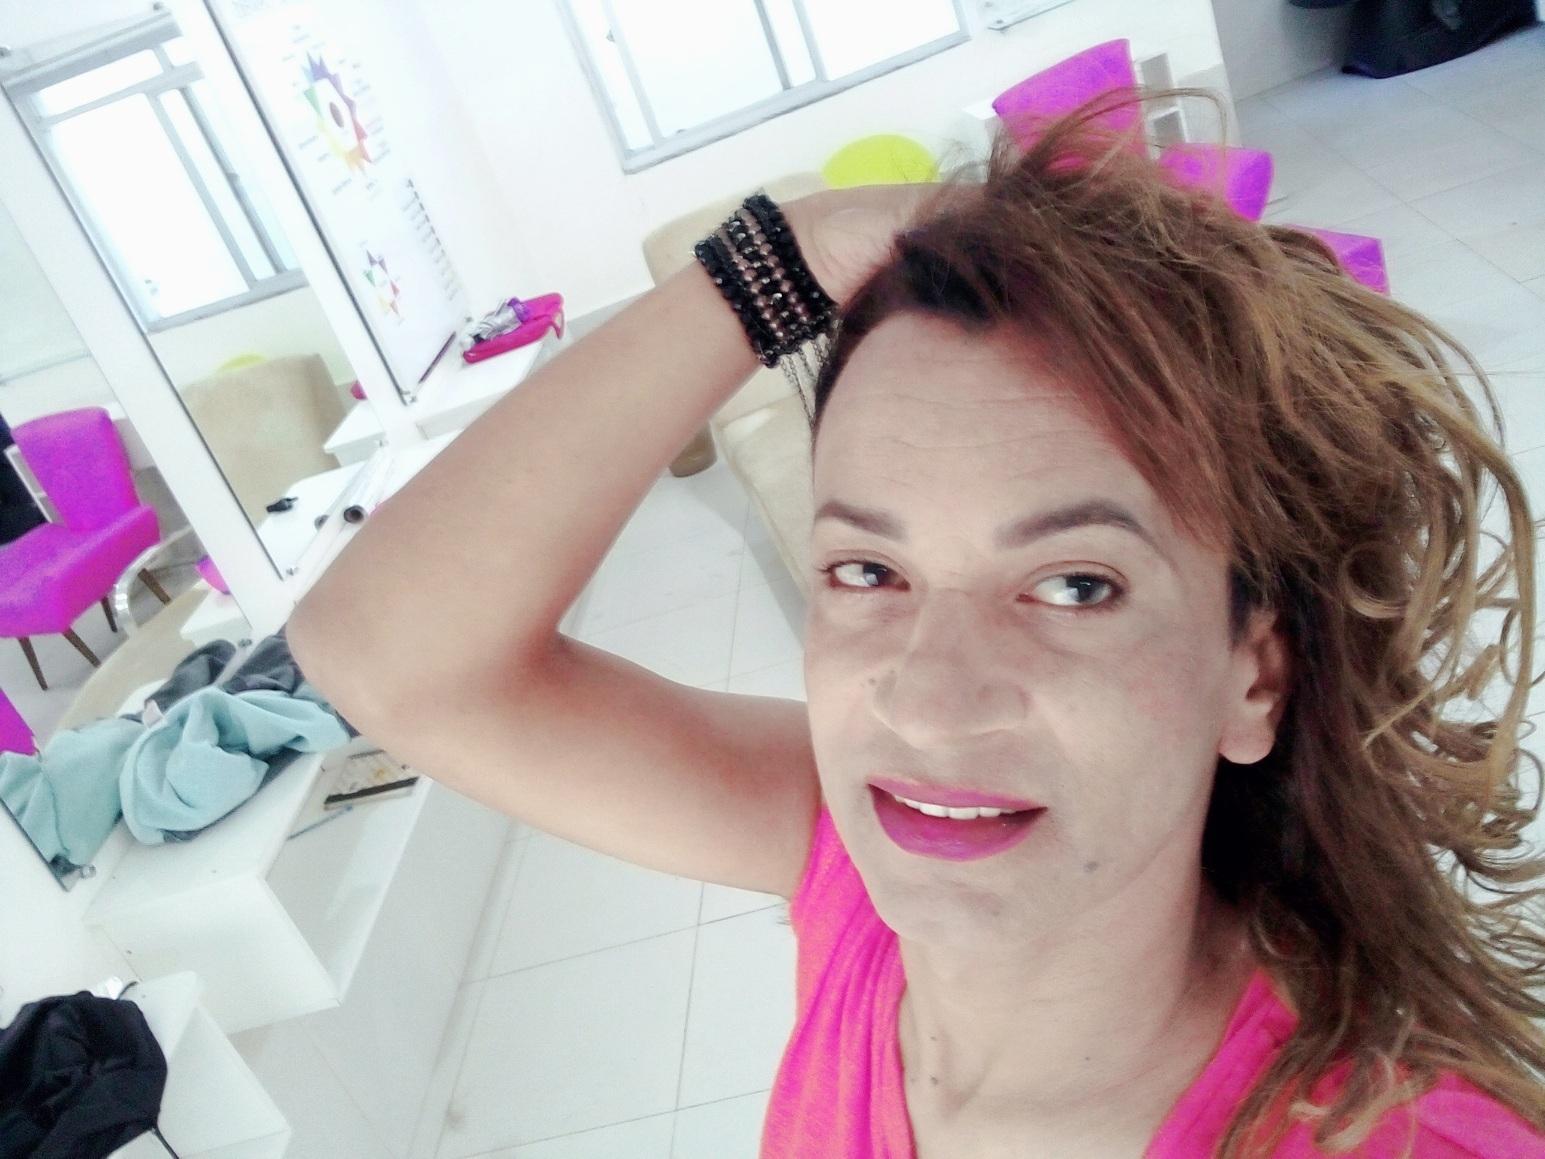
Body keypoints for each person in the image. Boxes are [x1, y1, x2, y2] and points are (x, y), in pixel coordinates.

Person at [287, 91, 1545, 1156]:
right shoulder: (854, 875)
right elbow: (389, 656)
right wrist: (778, 258)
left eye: (1076, 585)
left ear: (1253, 677)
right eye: (868, 569)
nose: (928, 705)